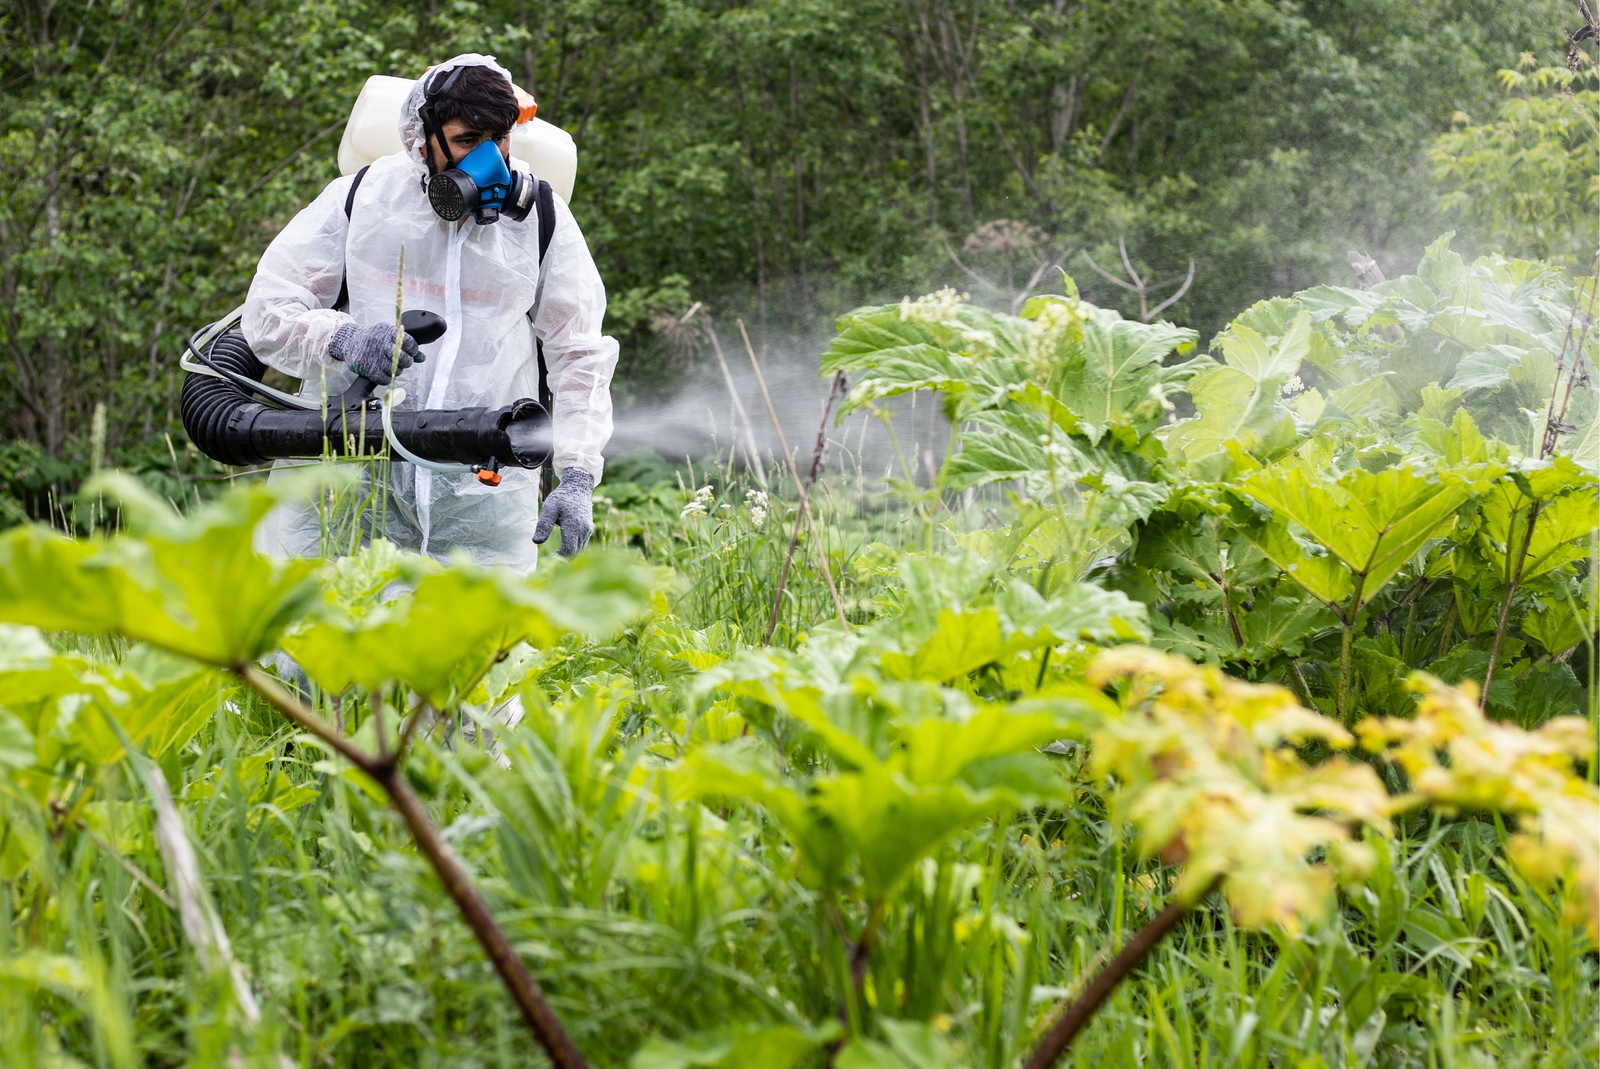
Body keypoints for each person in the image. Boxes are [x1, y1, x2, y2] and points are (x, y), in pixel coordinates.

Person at [242, 53, 615, 570]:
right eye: (466, 142)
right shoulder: (362, 199)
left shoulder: (540, 217)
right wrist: (343, 339)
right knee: (314, 640)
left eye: (500, 139)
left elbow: (579, 352)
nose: (490, 161)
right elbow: (267, 310)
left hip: (482, 500)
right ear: (423, 139)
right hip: (345, 489)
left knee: (481, 646)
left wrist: (576, 473)